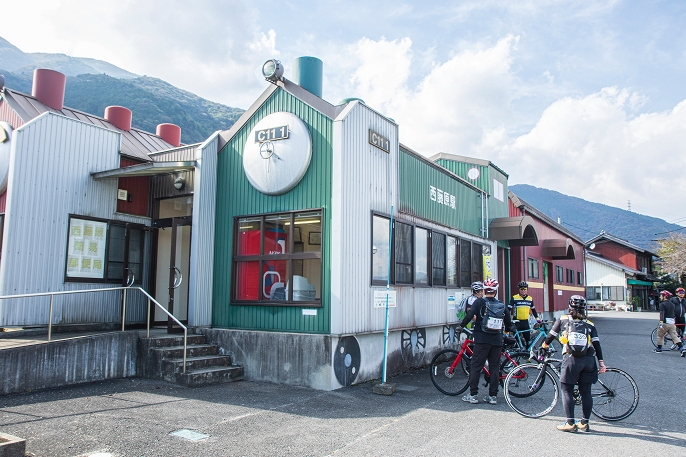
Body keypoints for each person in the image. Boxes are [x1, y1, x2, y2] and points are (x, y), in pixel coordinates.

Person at [539, 295, 606, 432]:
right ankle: (584, 423)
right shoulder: (590, 324)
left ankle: (570, 423)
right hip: (588, 360)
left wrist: (544, 346)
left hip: (571, 360)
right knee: (586, 392)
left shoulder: (563, 319)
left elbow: (551, 336)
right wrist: (601, 363)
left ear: (570, 306)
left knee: (566, 389)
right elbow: (597, 345)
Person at [457, 279, 513, 405]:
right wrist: (507, 331)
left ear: (484, 290)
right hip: (497, 340)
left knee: (476, 367)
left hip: (481, 340)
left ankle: (473, 395)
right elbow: (508, 323)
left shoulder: (479, 302)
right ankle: (492, 396)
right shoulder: (501, 304)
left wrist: (461, 327)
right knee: (494, 368)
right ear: (495, 291)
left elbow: (469, 315)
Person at [508, 281, 541, 348]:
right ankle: (516, 354)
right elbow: (508, 309)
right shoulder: (514, 298)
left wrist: (538, 319)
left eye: (524, 289)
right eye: (521, 289)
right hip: (516, 321)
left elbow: (533, 310)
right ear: (519, 290)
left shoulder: (530, 299)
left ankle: (526, 354)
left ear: (527, 289)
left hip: (525, 322)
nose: (523, 291)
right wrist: (507, 319)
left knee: (528, 340)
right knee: (516, 340)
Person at [655, 290, 685, 355]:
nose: (660, 297)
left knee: (660, 336)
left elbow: (662, 314)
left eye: (661, 295)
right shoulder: (672, 304)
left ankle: (659, 349)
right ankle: (682, 349)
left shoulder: (662, 304)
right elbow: (674, 314)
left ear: (665, 296)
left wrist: (661, 323)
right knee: (675, 337)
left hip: (665, 322)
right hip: (672, 323)